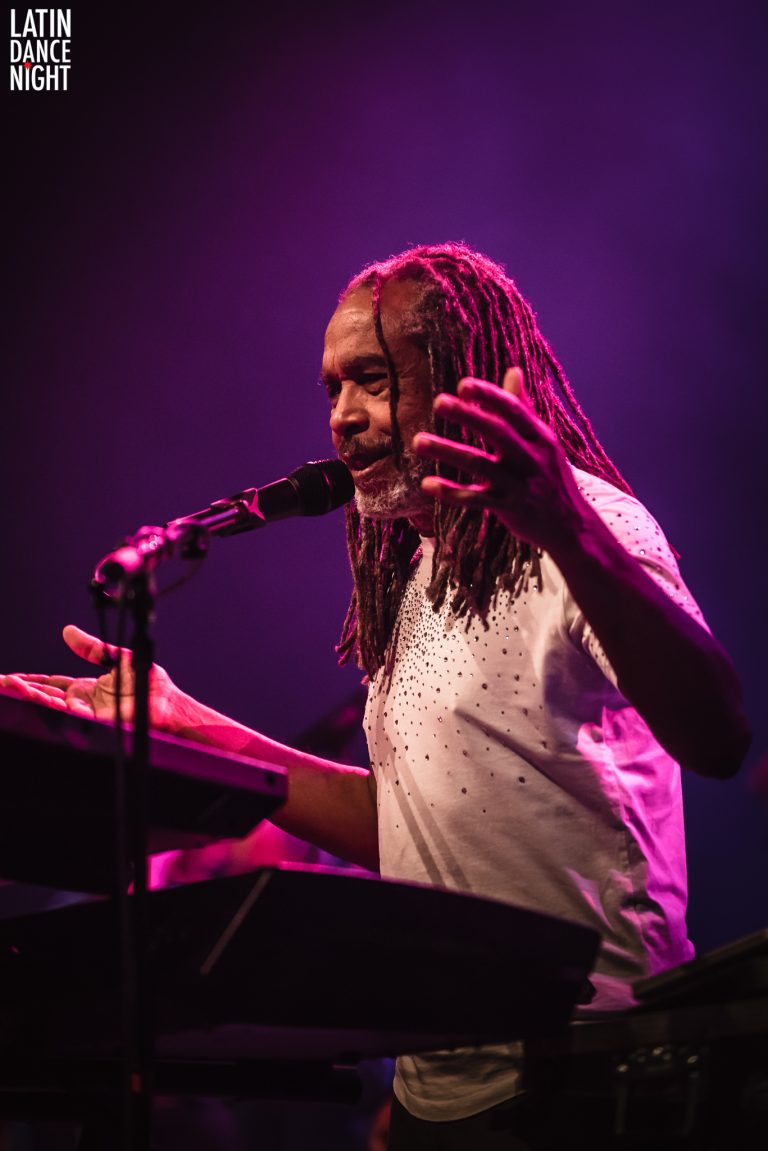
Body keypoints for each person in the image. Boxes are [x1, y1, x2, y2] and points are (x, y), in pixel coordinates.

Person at [1, 243, 751, 1148]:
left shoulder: (592, 526)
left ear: (461, 378)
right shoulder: (417, 573)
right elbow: (401, 827)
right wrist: (184, 722)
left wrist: (565, 525)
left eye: (372, 379)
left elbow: (719, 737)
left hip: (589, 1073)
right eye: (331, 389)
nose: (343, 417)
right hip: (441, 1082)